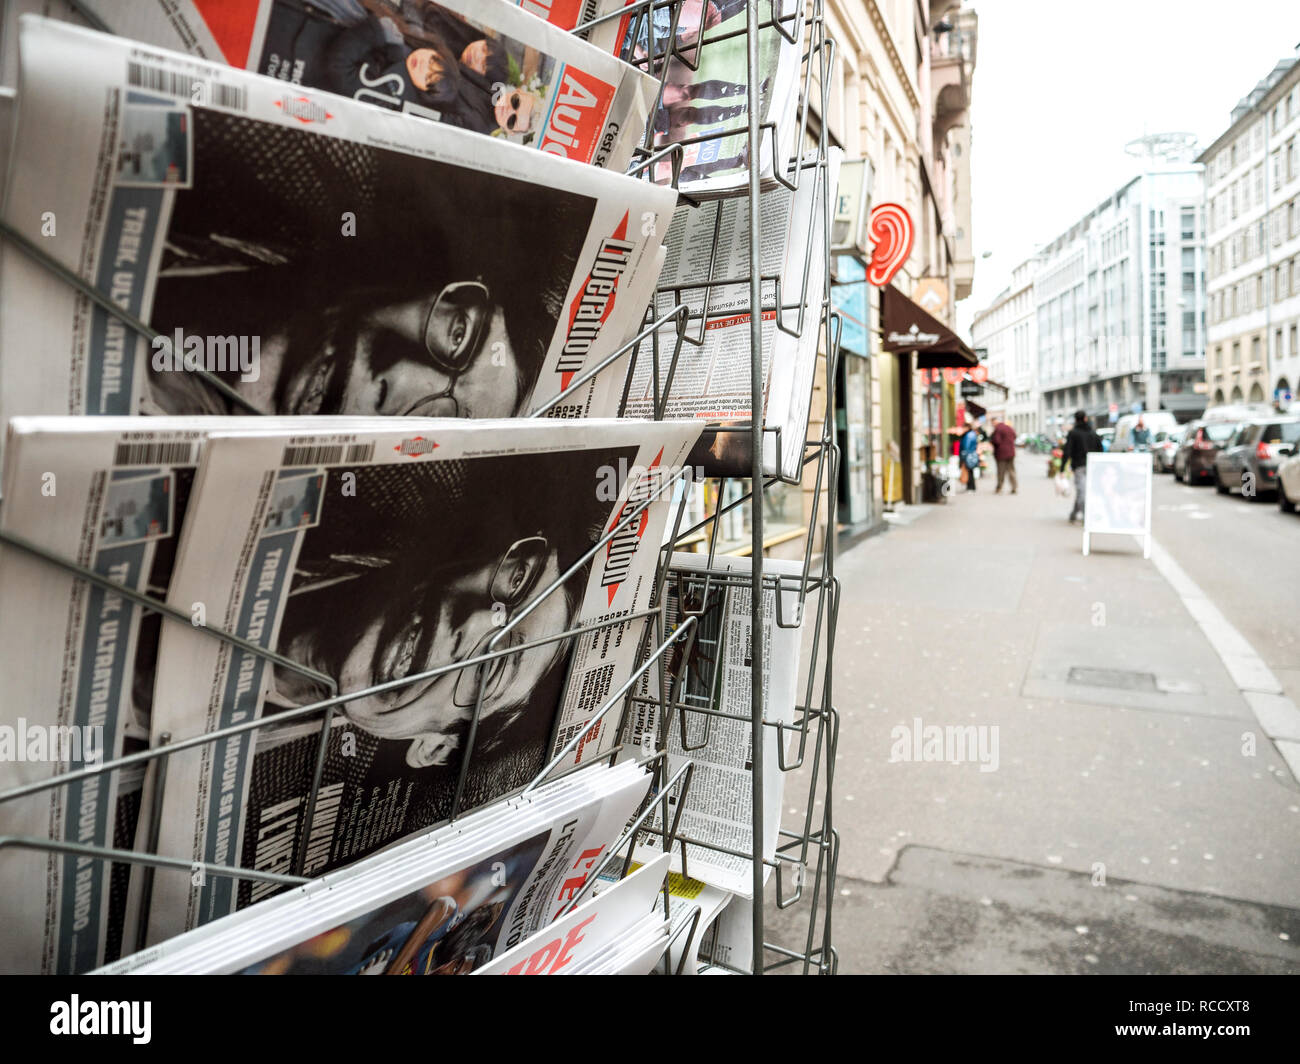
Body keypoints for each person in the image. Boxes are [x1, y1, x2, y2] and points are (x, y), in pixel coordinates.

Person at [1064, 409, 1104, 524]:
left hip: (1079, 466)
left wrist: (1063, 468)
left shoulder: (1073, 433)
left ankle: (1086, 516)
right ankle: (1074, 514)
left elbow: (1067, 450)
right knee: (1084, 490)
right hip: (1093, 466)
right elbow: (1100, 449)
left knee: (1082, 491)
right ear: (1085, 418)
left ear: (1076, 420)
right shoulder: (1093, 433)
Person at [990, 415, 1018, 494]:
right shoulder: (1009, 427)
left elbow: (997, 441)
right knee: (1011, 470)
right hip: (1011, 452)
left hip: (1001, 453)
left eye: (992, 423)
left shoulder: (998, 429)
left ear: (994, 422)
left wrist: (992, 441)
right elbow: (1015, 436)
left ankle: (999, 487)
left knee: (1001, 471)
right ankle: (1014, 487)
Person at [959, 422, 982, 491]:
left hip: (968, 455)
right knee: (970, 471)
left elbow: (966, 446)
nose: (963, 429)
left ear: (967, 428)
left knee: (969, 471)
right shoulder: (971, 434)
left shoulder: (969, 435)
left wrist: (963, 455)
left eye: (964, 427)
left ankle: (970, 487)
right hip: (970, 454)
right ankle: (971, 487)